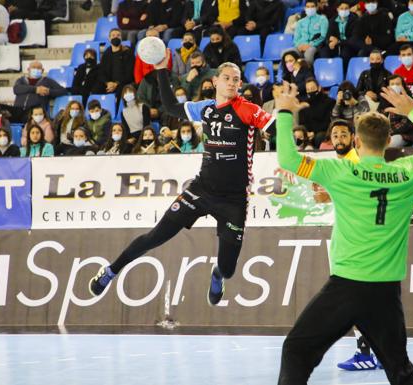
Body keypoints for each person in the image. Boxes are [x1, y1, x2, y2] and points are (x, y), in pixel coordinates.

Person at [274, 80, 413, 385]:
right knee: (400, 369)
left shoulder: (340, 171)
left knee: (296, 351)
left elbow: (288, 160)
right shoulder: (410, 172)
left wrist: (284, 112)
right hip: (385, 292)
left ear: (357, 143)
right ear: (389, 141)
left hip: (345, 286)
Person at [89, 54, 275, 311]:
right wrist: (162, 69)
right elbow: (169, 106)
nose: (232, 83)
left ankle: (218, 275)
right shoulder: (206, 108)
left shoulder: (247, 109)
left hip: (233, 199)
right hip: (201, 190)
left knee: (229, 268)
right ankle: (110, 271)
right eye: (227, 79)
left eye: (236, 80)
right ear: (215, 81)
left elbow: (274, 129)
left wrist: (287, 159)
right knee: (155, 236)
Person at [379, 74, 413, 147]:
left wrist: (387, 132)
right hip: (387, 134)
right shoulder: (384, 102)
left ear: (403, 86)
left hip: (406, 135)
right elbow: (378, 118)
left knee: (390, 143)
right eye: (392, 84)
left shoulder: (409, 101)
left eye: (398, 84)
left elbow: (406, 124)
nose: (395, 86)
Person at [317, 0, 359, 70]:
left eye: (346, 8)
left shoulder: (355, 20)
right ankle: (329, 71)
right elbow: (328, 36)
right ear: (337, 9)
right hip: (336, 46)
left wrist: (339, 41)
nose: (344, 10)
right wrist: (330, 43)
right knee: (324, 50)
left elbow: (354, 39)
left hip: (348, 45)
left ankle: (343, 72)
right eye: (341, 8)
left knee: (345, 52)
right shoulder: (332, 20)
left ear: (349, 9)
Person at [299, 77, 335, 148]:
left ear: (319, 88)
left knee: (319, 137)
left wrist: (314, 133)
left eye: (312, 89)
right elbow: (302, 122)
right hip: (308, 133)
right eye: (308, 90)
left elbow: (328, 122)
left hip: (323, 132)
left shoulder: (329, 102)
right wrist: (306, 133)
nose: (310, 91)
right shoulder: (304, 104)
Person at [99, 28, 135, 97]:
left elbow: (129, 74)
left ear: (121, 38)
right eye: (113, 35)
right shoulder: (106, 54)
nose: (116, 37)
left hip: (123, 83)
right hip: (109, 84)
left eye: (118, 35)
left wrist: (116, 84)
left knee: (120, 91)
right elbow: (102, 72)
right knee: (97, 88)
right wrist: (107, 83)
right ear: (109, 39)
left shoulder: (128, 52)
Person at [293, 0, 328, 65]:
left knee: (309, 53)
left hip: (315, 45)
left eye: (312, 6)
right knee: (287, 53)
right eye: (308, 7)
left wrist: (310, 45)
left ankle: (309, 72)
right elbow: (296, 38)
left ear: (317, 8)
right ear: (305, 8)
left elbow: (323, 36)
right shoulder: (300, 22)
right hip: (301, 46)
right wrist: (299, 46)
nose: (310, 9)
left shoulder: (322, 19)